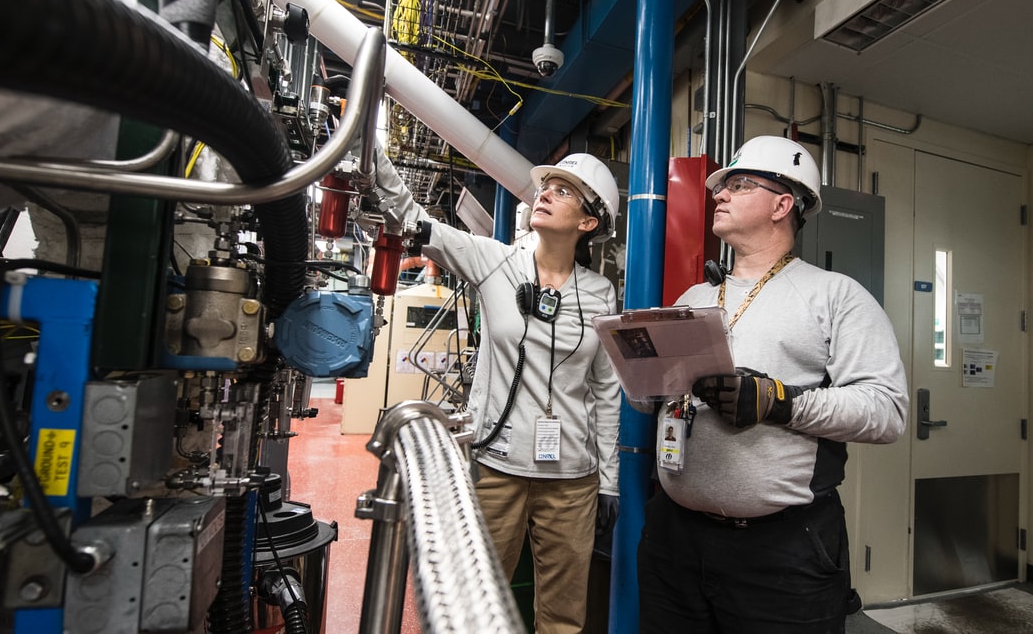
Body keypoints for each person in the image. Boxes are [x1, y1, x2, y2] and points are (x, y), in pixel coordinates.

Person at [637, 135, 909, 633]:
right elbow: (658, 395)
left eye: (738, 185)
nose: (718, 195)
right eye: (721, 187)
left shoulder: (836, 296)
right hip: (673, 540)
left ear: (783, 204)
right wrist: (645, 385)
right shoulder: (697, 294)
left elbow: (886, 411)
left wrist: (778, 401)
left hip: (782, 554)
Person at [373, 147, 622, 633]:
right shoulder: (494, 261)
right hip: (496, 471)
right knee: (474, 603)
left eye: (564, 191)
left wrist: (608, 481)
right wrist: (372, 157)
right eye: (546, 187)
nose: (546, 194)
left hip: (572, 480)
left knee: (563, 617)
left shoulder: (600, 293)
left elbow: (606, 392)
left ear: (588, 224)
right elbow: (413, 220)